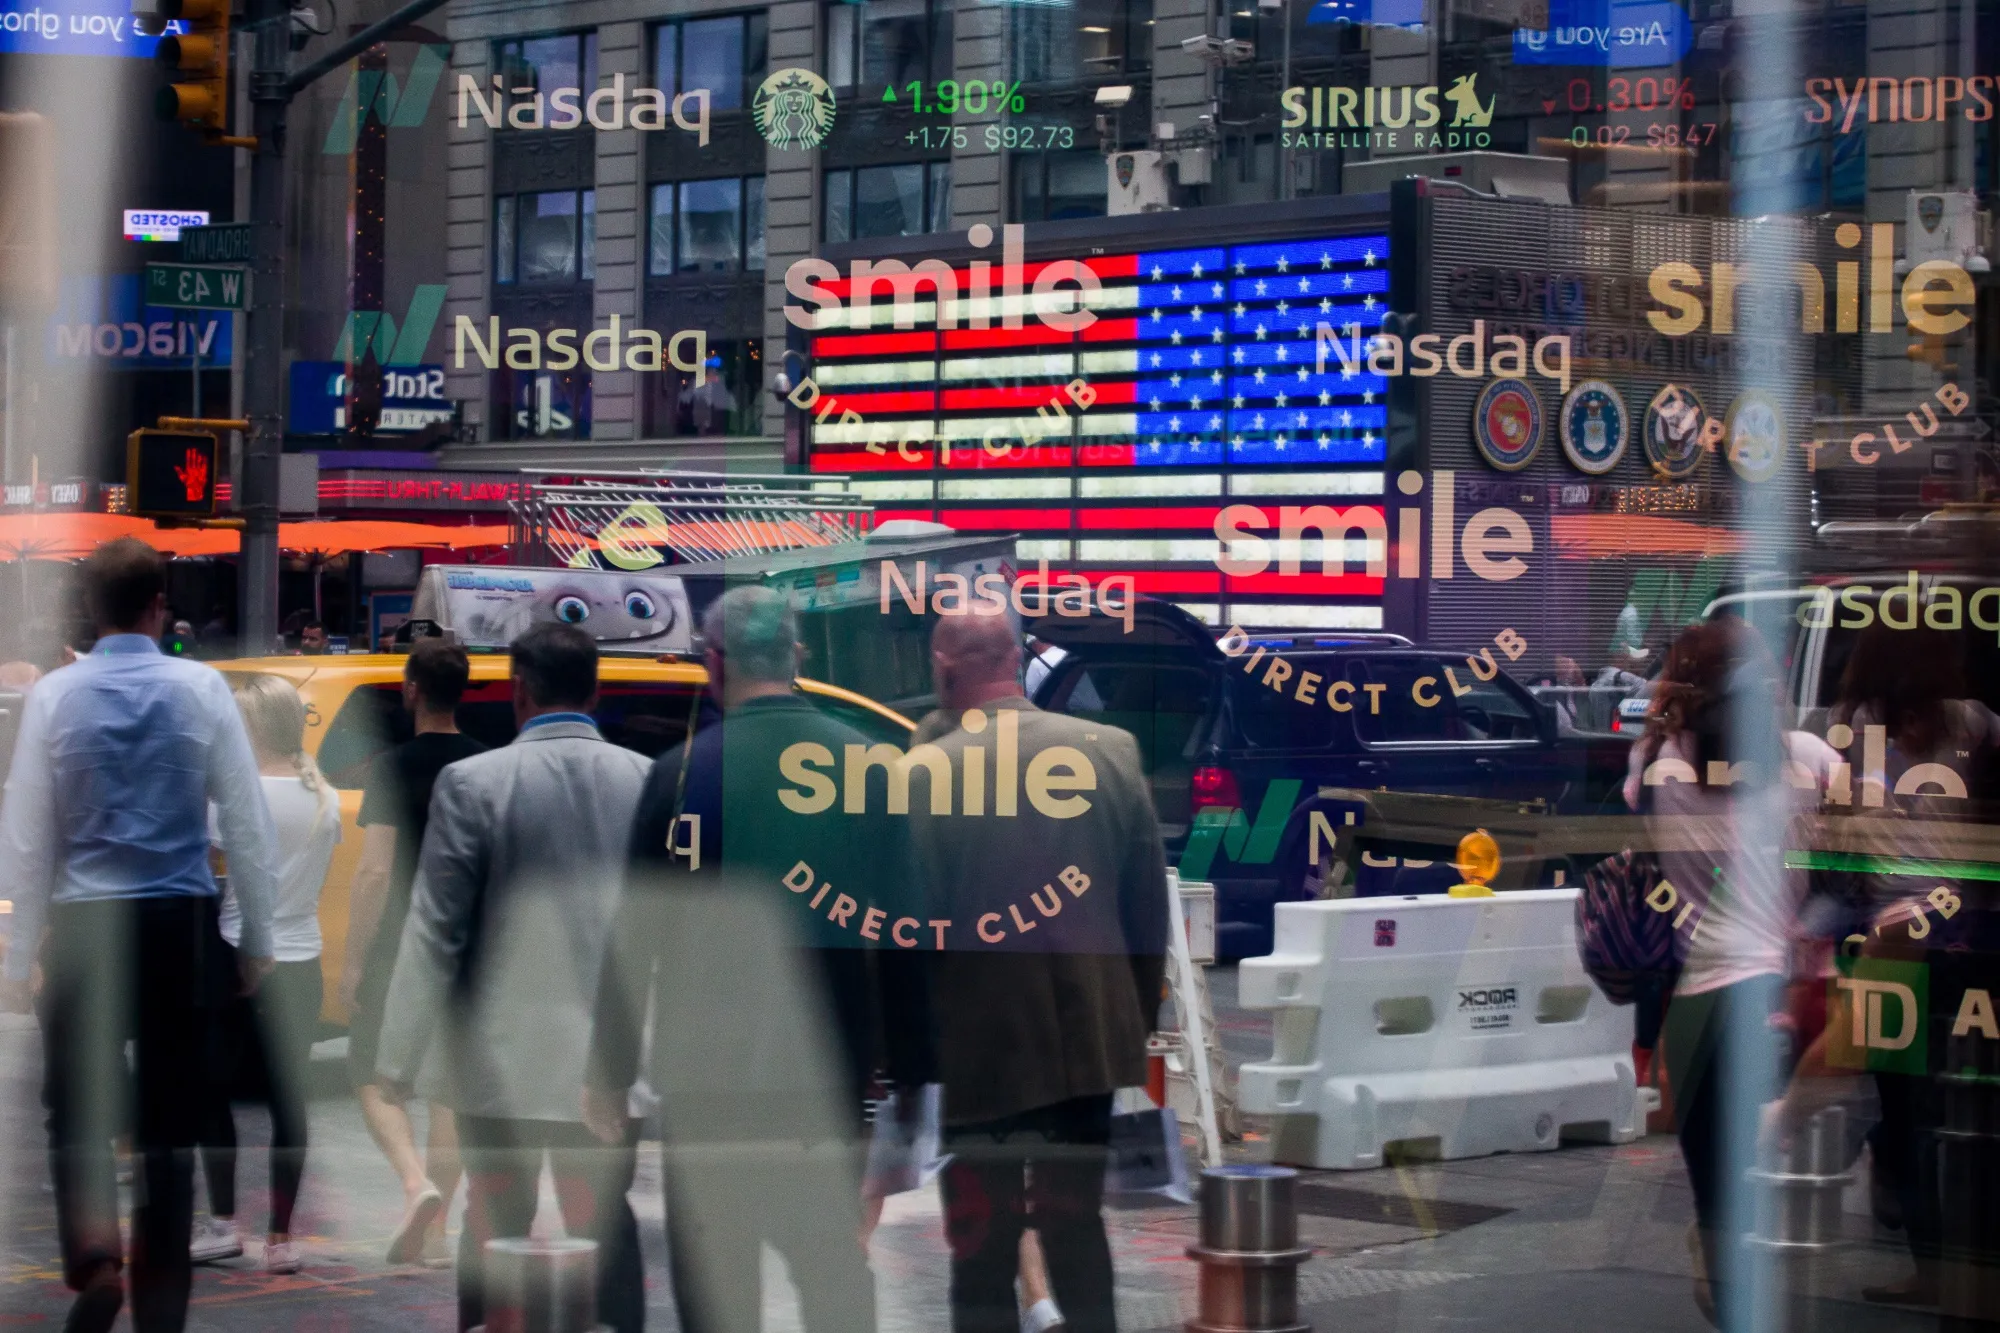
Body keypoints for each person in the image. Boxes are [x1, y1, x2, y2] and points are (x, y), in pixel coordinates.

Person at [585, 585, 929, 1333]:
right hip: (830, 1078)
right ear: (799, 657)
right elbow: (905, 934)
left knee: (716, 1279)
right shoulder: (869, 767)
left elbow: (635, 936)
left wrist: (608, 1072)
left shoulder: (679, 773)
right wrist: (912, 1069)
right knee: (832, 1266)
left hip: (707, 1080)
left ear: (714, 661)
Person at [0, 537, 279, 1333]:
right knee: (172, 1117)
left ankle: (94, 1255)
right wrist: (251, 934)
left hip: (85, 922)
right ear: (162, 606)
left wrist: (22, 956)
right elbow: (246, 823)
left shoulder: (55, 696)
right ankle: (161, 1305)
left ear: (89, 609)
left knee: (74, 1107)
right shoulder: (202, 689)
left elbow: (26, 835)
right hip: (179, 922)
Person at [376, 622, 649, 1333]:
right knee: (607, 1226)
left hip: (501, 1058)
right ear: (596, 689)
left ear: (518, 691)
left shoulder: (473, 782)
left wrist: (397, 1056)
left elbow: (436, 926)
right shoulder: (647, 780)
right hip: (610, 1061)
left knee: (496, 1222)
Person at [905, 610, 1168, 1333]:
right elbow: (1148, 908)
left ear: (943, 666)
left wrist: (904, 1057)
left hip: (979, 1052)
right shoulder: (1109, 751)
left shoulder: (925, 772)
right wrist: (1134, 1022)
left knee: (980, 1245)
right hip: (1089, 1043)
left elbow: (907, 932)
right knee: (1077, 1228)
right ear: (1017, 659)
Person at [1625, 618, 1835, 1328]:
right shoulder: (1804, 755)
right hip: (1784, 985)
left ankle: (1727, 1283)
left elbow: (1636, 817)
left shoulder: (1656, 761)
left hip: (1696, 994)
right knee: (1780, 1150)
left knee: (1714, 1176)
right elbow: (1852, 833)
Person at [192, 674, 342, 1274]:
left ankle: (224, 1224)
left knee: (211, 1092)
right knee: (289, 1100)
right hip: (301, 958)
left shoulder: (232, 796)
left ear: (249, 727)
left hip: (236, 956)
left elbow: (214, 874)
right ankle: (282, 1238)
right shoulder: (324, 798)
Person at [342, 638, 484, 1267]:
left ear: (411, 690)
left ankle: (411, 1182)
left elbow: (374, 872)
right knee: (449, 1093)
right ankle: (435, 1235)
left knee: (371, 1074)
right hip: (465, 944)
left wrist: (351, 962)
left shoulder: (393, 767)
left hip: (402, 941)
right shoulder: (484, 765)